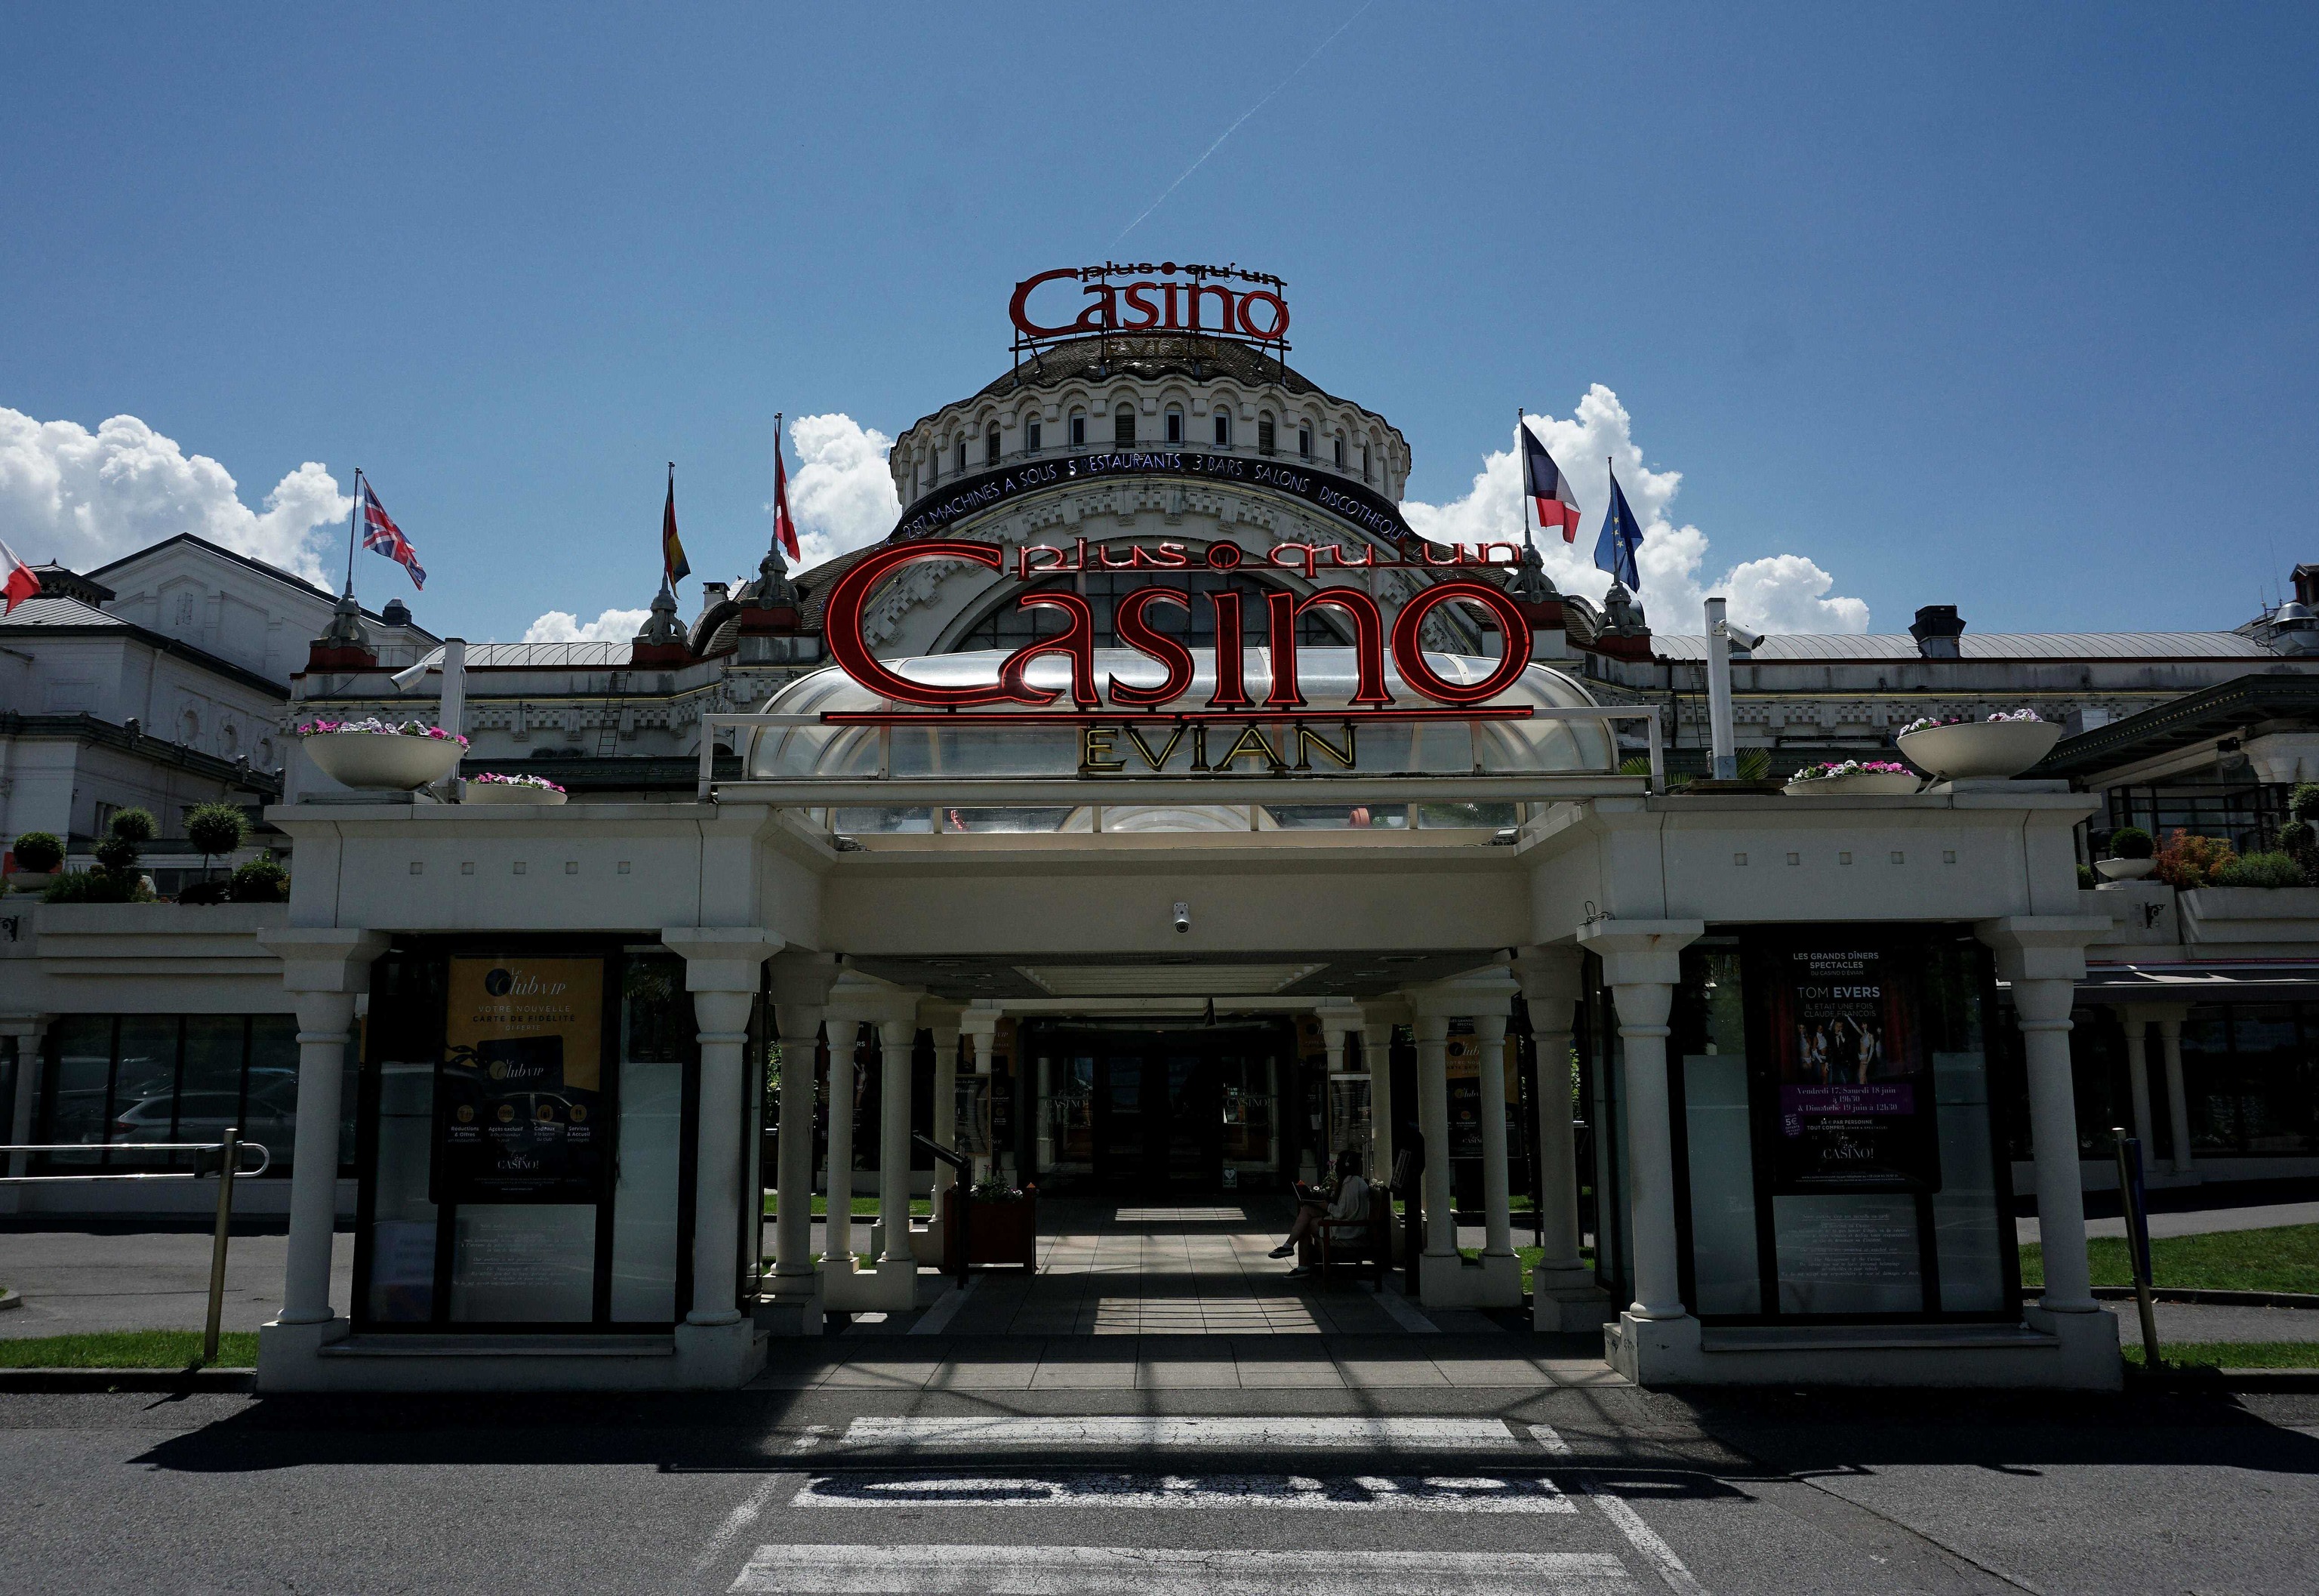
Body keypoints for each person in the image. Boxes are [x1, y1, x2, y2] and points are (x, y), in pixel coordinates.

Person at [1269, 1152, 1370, 1277]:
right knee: (1307, 1209)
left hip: (1347, 1229)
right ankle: (1289, 1247)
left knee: (1306, 1225)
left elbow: (1341, 1212)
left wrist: (1326, 1206)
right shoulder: (1351, 1182)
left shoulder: (1352, 1184)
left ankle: (1301, 1264)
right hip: (1345, 1224)